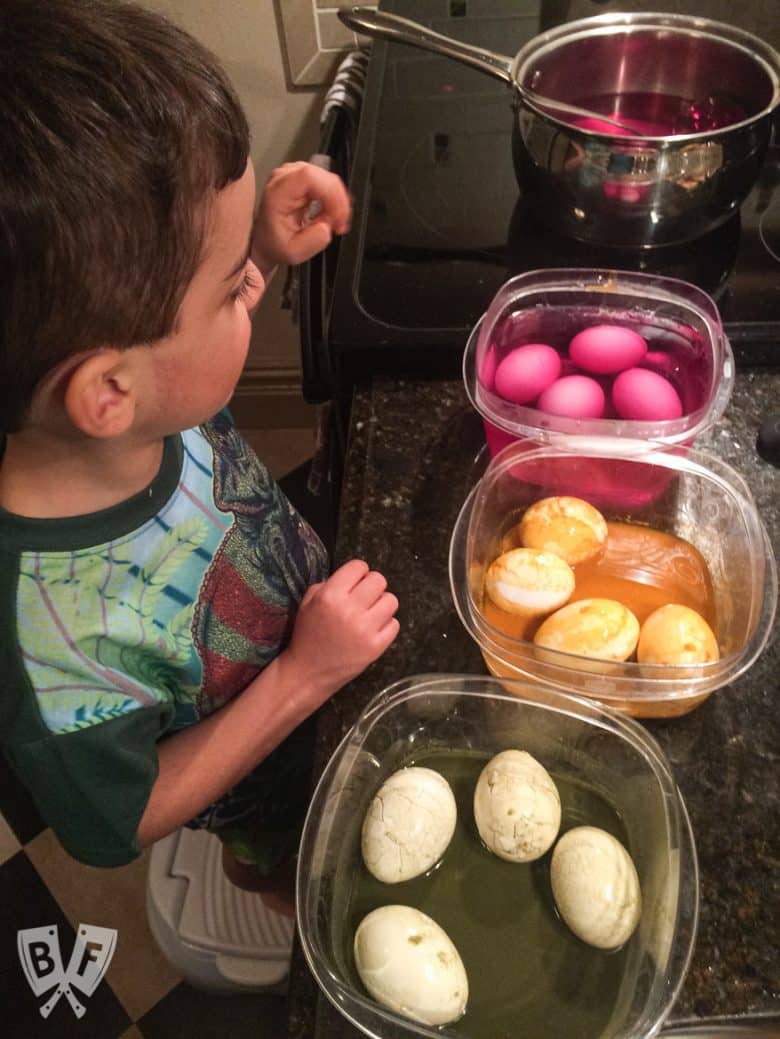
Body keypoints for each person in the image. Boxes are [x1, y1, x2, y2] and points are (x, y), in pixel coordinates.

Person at [0, 0, 399, 914]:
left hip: (320, 652)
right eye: (230, 292)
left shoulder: (117, 404)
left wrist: (252, 246)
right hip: (267, 778)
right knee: (298, 868)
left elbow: (170, 346)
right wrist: (304, 674)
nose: (248, 294)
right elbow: (116, 820)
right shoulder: (53, 641)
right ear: (109, 395)